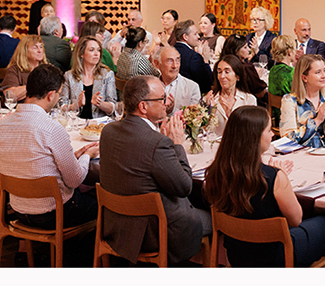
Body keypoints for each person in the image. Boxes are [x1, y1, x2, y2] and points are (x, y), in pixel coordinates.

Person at [99, 75, 212, 266]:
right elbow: (185, 187)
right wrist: (177, 145)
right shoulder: (158, 143)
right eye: (161, 99)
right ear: (143, 107)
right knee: (215, 217)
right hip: (153, 232)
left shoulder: (108, 131)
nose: (167, 103)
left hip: (115, 226)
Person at [203, 105, 325, 267]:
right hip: (275, 257)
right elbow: (296, 219)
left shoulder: (217, 171)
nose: (272, 134)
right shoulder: (273, 178)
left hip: (236, 253)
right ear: (255, 136)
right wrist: (280, 174)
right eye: (268, 130)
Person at [0, 64, 99, 229]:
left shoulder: (2, 123)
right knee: (105, 203)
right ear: (51, 95)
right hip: (53, 214)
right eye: (59, 93)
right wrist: (88, 155)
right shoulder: (51, 128)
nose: (58, 98)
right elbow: (75, 180)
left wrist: (74, 156)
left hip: (17, 209)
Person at [280, 54, 325, 149]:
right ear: (304, 78)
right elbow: (287, 142)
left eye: (324, 70)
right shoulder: (290, 101)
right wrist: (317, 120)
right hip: (299, 158)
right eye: (318, 72)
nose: (324, 76)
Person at [62, 36, 117, 120]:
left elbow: (113, 108)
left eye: (98, 50)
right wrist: (77, 105)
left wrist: (99, 103)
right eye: (91, 50)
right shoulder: (69, 76)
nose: (96, 53)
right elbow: (61, 107)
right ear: (82, 54)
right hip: (75, 125)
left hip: (99, 126)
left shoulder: (107, 75)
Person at [203, 55, 257, 136]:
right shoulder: (210, 99)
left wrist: (231, 114)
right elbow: (205, 133)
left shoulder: (249, 100)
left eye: (227, 72)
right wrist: (211, 113)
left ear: (237, 76)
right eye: (219, 72)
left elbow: (252, 131)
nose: (222, 76)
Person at [151, 45, 201, 113]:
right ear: (157, 63)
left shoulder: (192, 87)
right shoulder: (150, 86)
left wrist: (172, 110)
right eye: (170, 61)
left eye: (177, 60)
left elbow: (194, 117)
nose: (175, 66)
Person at [0, 34, 47, 101]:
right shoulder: (15, 70)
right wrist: (36, 85)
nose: (40, 51)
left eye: (41, 47)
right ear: (25, 51)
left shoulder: (47, 70)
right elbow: (10, 96)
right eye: (35, 48)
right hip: (20, 109)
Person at [173, 20, 214, 94]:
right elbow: (207, 83)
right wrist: (205, 60)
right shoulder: (193, 57)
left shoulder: (170, 50)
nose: (198, 37)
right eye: (195, 34)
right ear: (185, 37)